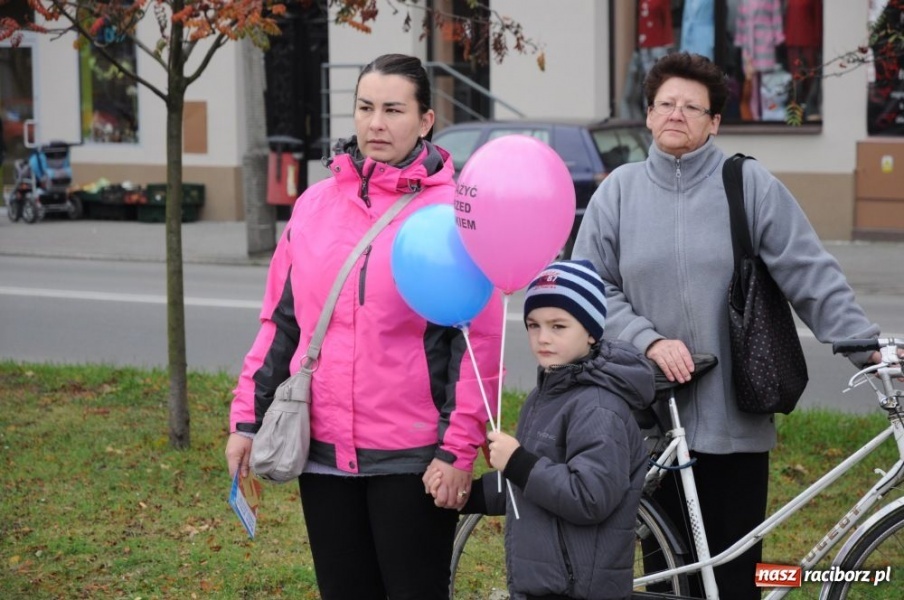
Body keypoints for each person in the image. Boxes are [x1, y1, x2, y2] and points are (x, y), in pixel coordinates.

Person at [572, 51, 882, 599]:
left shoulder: (747, 184)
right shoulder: (618, 191)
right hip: (651, 418)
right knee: (668, 576)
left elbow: (809, 272)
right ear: (649, 114)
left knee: (735, 576)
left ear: (714, 122)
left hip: (735, 418)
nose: (676, 114)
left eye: (692, 107)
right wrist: (647, 341)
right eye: (665, 103)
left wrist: (866, 347)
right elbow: (591, 290)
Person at [224, 53, 503, 600]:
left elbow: (478, 347)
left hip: (412, 459)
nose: (376, 123)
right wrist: (245, 421)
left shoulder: (455, 215)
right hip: (323, 454)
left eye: (393, 110)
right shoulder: (314, 205)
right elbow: (281, 325)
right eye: (365, 107)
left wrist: (456, 451)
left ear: (425, 120)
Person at [429, 260, 656, 600]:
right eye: (533, 325)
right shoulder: (544, 396)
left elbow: (590, 497)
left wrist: (517, 461)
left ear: (591, 331)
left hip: (578, 590)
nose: (543, 338)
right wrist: (466, 495)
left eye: (558, 326)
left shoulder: (598, 407)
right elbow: (528, 485)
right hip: (542, 583)